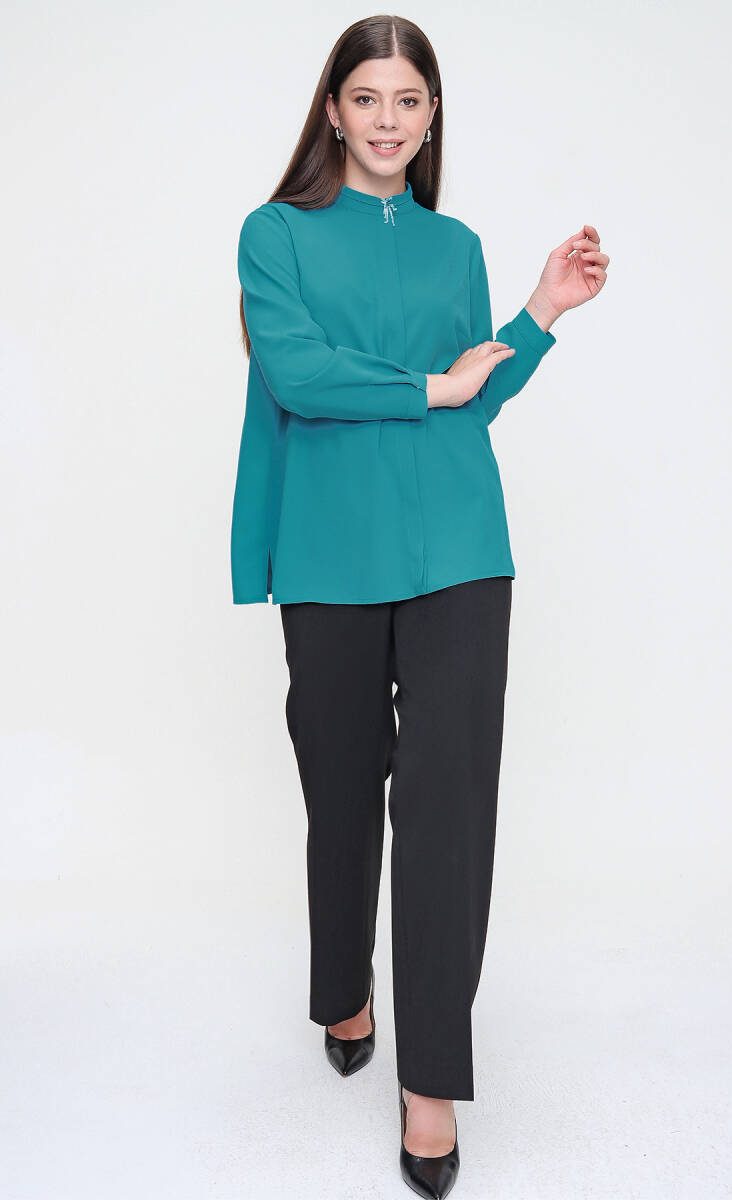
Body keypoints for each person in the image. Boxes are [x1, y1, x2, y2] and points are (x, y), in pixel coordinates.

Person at [231, 15, 609, 1199]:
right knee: (341, 792)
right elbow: (296, 372)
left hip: (458, 548)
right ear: (332, 110)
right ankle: (341, 986)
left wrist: (536, 315)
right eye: (366, 97)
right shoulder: (274, 234)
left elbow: (466, 399)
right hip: (330, 553)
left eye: (407, 100)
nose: (387, 119)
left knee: (446, 814)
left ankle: (429, 1083)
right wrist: (427, 386)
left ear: (431, 115)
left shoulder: (456, 247)